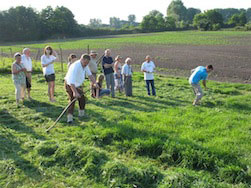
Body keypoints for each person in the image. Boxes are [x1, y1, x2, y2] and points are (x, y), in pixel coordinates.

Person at [64, 54, 98, 123]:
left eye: (87, 63)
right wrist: (75, 92)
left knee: (82, 99)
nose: (86, 64)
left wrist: (95, 83)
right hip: (70, 84)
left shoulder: (85, 66)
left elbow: (90, 75)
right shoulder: (75, 67)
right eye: (85, 62)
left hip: (77, 85)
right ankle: (69, 118)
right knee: (72, 100)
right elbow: (71, 81)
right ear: (81, 60)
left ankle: (81, 115)